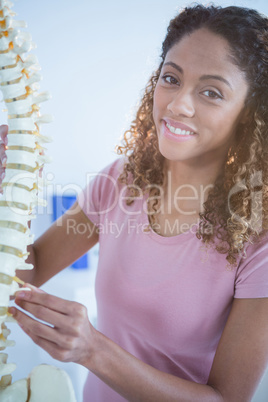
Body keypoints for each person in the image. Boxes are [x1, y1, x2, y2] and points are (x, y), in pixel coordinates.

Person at [0, 3, 268, 401]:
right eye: (171, 78)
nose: (178, 104)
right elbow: (28, 272)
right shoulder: (121, 180)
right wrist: (10, 192)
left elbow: (227, 399)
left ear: (250, 114)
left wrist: (94, 350)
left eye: (211, 92)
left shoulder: (258, 238)